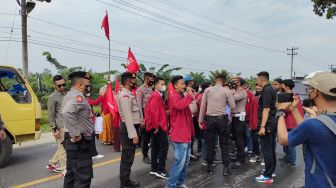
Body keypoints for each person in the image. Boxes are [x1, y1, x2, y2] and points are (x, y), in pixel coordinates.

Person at [277, 72, 336, 188]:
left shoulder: (314, 124)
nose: (308, 91)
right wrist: (294, 110)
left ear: (316, 92)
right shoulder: (318, 123)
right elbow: (310, 129)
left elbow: (283, 139)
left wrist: (280, 112)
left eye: (309, 88)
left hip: (318, 183)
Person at [61, 71, 96, 188]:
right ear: (80, 85)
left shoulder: (69, 95)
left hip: (71, 141)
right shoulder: (78, 96)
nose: (89, 85)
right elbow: (66, 113)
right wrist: (76, 133)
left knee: (71, 174)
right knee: (83, 177)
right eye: (88, 83)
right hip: (79, 143)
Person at [199, 74, 235, 176]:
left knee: (210, 144)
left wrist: (200, 120)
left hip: (210, 119)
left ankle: (209, 168)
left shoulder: (208, 90)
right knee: (224, 144)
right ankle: (226, 168)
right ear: (223, 81)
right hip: (222, 119)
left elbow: (203, 106)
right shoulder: (226, 91)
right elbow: (232, 106)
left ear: (215, 80)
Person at [167, 75, 195, 188]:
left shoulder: (181, 96)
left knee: (185, 163)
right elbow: (179, 106)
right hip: (179, 136)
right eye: (182, 84)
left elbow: (188, 115)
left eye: (184, 83)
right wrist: (189, 96)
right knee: (179, 163)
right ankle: (170, 185)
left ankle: (179, 183)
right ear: (175, 85)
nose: (185, 85)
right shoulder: (174, 96)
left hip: (186, 135)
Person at [118, 72, 141, 188]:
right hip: (128, 129)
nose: (134, 82)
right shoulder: (125, 95)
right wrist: (133, 135)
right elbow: (127, 116)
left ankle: (126, 180)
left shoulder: (129, 94)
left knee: (129, 157)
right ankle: (124, 183)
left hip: (130, 127)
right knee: (127, 158)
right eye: (133, 80)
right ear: (128, 82)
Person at [144, 76, 169, 179]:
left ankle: (154, 169)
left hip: (157, 125)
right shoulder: (156, 96)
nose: (163, 86)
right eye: (161, 84)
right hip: (159, 126)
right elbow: (154, 112)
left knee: (155, 148)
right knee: (164, 147)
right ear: (155, 85)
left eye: (163, 84)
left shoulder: (158, 95)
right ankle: (161, 169)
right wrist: (156, 126)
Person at [255, 71, 277, 183]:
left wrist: (262, 126)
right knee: (271, 149)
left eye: (257, 79)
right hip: (272, 123)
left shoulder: (267, 90)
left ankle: (268, 175)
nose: (256, 81)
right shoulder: (272, 89)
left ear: (262, 79)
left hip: (267, 124)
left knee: (266, 150)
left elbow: (266, 109)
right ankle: (271, 171)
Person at [279, 79, 304, 168]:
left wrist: (281, 108)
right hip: (286, 121)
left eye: (283, 84)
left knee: (290, 142)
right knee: (285, 141)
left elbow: (290, 108)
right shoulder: (285, 95)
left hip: (291, 122)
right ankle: (287, 157)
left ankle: (292, 161)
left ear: (287, 86)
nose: (281, 85)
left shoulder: (294, 97)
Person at [46, 75, 67, 177]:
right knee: (63, 148)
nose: (62, 87)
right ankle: (64, 170)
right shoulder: (52, 97)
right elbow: (51, 114)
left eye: (63, 84)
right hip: (60, 126)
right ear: (54, 86)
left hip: (68, 125)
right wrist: (54, 128)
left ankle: (52, 163)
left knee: (62, 147)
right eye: (59, 85)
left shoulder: (66, 94)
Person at [136, 72, 155, 164]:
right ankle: (145, 156)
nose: (152, 81)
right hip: (145, 114)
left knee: (154, 136)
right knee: (145, 138)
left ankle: (156, 155)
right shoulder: (140, 90)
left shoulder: (152, 89)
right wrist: (142, 119)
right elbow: (139, 106)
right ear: (146, 79)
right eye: (151, 79)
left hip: (153, 115)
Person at [231, 77, 247, 167]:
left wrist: (231, 91)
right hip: (233, 117)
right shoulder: (234, 90)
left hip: (239, 117)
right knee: (235, 138)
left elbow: (232, 98)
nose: (233, 82)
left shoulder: (242, 91)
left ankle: (241, 159)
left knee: (239, 139)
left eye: (235, 81)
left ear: (240, 82)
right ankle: (238, 156)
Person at [185, 75, 202, 160]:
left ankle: (193, 152)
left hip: (195, 116)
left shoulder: (193, 91)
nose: (192, 82)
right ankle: (189, 153)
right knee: (190, 136)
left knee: (195, 134)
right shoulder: (185, 92)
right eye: (191, 81)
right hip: (189, 117)